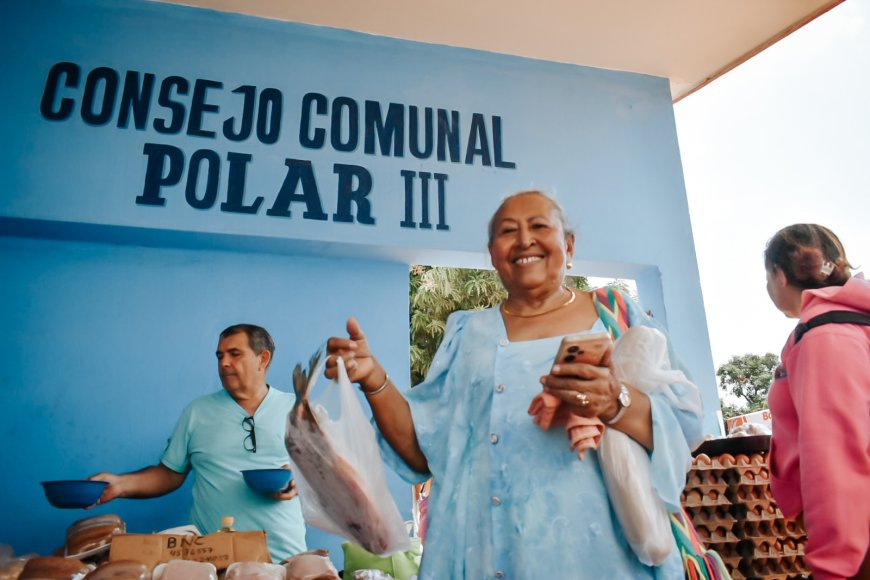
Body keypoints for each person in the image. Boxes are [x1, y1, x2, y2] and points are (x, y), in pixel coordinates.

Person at [326, 190, 705, 578]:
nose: (525, 240)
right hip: (489, 559)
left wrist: (614, 402)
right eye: (508, 231)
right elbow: (424, 451)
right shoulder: (468, 334)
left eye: (539, 226)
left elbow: (686, 426)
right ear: (493, 254)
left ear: (568, 245)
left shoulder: (616, 316)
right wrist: (373, 378)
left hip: (608, 559)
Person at [90, 324, 307, 561]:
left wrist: (301, 480)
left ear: (263, 359)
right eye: (220, 356)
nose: (224, 363)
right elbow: (169, 474)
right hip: (211, 561)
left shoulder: (298, 409)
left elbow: (326, 477)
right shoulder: (197, 412)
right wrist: (120, 485)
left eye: (234, 354)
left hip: (285, 558)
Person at [763, 224, 870, 580]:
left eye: (766, 277)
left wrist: (833, 565)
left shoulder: (825, 337)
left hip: (859, 540)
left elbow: (836, 456)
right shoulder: (848, 324)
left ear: (779, 275)